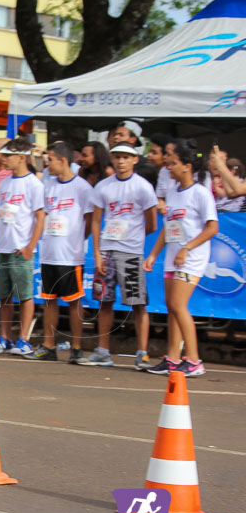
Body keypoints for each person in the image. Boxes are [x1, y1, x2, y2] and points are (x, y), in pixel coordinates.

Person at [79, 143, 158, 368]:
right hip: (107, 251)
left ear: (134, 160)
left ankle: (142, 353)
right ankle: (103, 351)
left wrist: (134, 237)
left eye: (126, 157)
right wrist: (97, 252)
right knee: (104, 300)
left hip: (131, 252)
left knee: (138, 303)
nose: (121, 161)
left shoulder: (143, 187)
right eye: (117, 157)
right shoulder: (103, 186)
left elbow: (151, 223)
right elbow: (95, 221)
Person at [143, 141, 218, 377]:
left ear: (186, 166)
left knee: (178, 305)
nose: (169, 167)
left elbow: (212, 228)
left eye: (173, 163)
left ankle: (194, 360)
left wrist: (187, 248)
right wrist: (154, 254)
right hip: (172, 258)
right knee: (171, 307)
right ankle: (173, 357)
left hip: (191, 258)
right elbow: (169, 228)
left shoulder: (200, 193)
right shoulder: (173, 193)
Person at [23, 142, 94, 363]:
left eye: (51, 159)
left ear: (62, 161)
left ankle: (77, 347)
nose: (47, 164)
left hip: (70, 255)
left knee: (74, 302)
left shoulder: (83, 188)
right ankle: (48, 345)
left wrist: (77, 239)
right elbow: (42, 215)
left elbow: (90, 220)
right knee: (49, 301)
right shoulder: (48, 185)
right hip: (49, 253)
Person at [0, 139, 45, 356]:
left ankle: (24, 339)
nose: (4, 159)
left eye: (8, 155)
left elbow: (40, 217)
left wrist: (30, 247)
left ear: (22, 157)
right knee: (4, 296)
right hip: (2, 247)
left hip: (20, 248)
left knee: (25, 295)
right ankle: (5, 337)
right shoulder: (6, 183)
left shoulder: (34, 184)